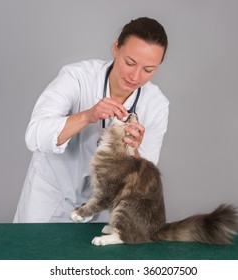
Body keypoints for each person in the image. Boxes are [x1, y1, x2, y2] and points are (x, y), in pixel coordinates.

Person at [13, 17, 170, 223]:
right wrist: (88, 115)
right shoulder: (77, 77)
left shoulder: (156, 104)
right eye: (130, 63)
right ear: (116, 48)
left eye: (148, 70)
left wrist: (135, 150)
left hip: (102, 208)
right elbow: (35, 136)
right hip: (51, 197)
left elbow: (144, 180)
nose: (135, 76)